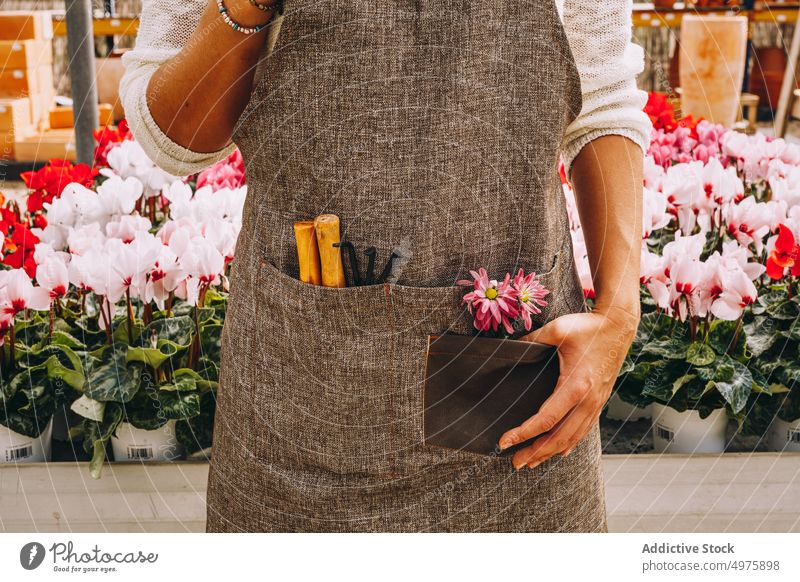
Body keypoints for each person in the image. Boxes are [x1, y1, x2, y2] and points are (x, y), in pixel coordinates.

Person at [121, 0, 651, 532]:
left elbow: (602, 99)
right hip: (298, 411)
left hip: (517, 401)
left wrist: (619, 312)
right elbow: (173, 139)